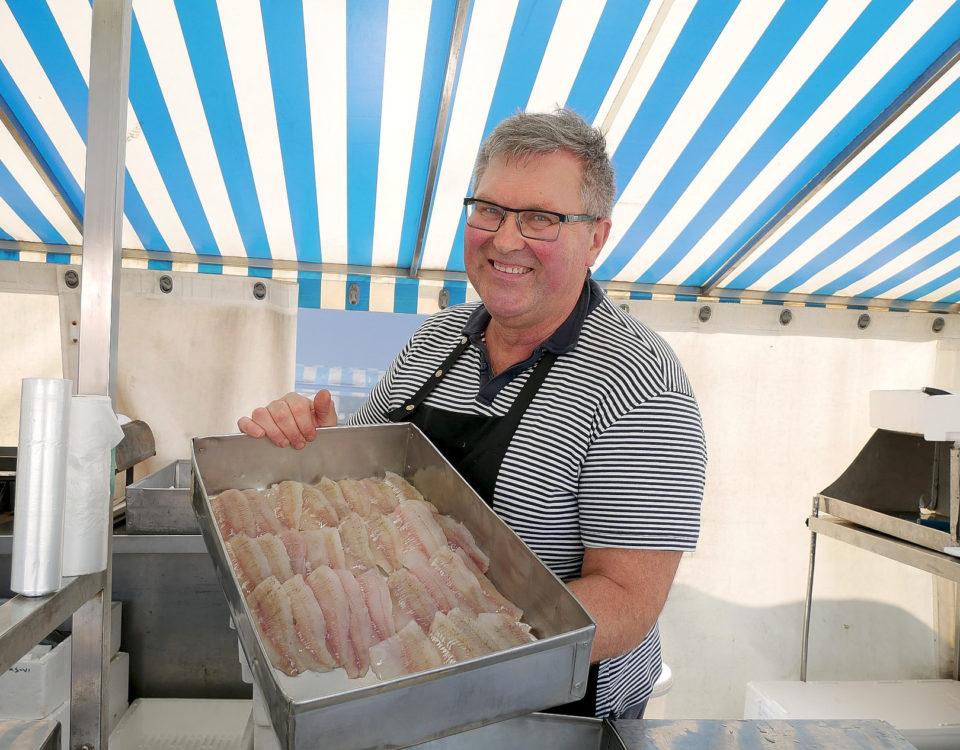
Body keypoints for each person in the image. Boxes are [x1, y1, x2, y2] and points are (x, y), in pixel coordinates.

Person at [238, 109, 706, 719]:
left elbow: (628, 602)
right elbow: (371, 470)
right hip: (404, 691)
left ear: (596, 237)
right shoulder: (438, 337)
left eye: (542, 218)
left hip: (547, 718)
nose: (506, 240)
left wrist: (452, 649)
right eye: (489, 210)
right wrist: (319, 441)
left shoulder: (642, 385)